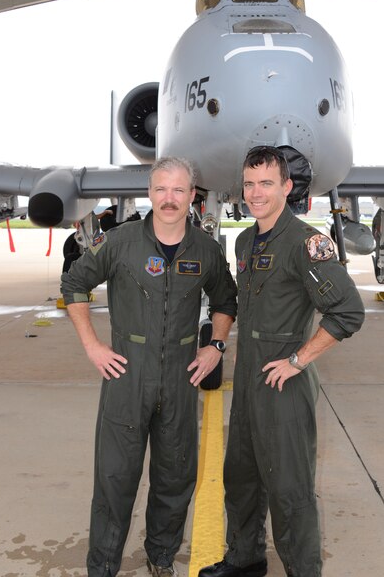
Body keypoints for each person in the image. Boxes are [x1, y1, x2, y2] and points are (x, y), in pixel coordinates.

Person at [60, 156, 237, 577]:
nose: (170, 199)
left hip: (180, 375)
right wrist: (93, 345)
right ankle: (102, 566)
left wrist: (215, 345)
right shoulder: (120, 243)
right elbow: (74, 283)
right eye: (161, 189)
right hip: (126, 375)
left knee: (175, 478)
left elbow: (226, 300)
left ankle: (160, 557)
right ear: (150, 193)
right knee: (115, 479)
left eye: (179, 190)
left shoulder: (206, 250)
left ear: (192, 196)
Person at [198, 146, 365, 577]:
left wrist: (299, 358)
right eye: (250, 184)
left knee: (290, 492)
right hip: (249, 381)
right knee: (241, 478)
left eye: (266, 183)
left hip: (284, 387)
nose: (255, 193)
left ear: (286, 187)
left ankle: (302, 571)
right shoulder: (245, 240)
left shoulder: (306, 244)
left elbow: (347, 312)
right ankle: (245, 557)